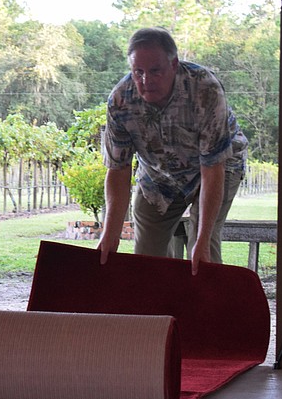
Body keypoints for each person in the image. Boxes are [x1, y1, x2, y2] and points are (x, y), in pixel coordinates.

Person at [97, 27, 247, 275]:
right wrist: (109, 234)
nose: (146, 81)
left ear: (174, 64)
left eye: (155, 71)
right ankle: (157, 311)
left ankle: (204, 310)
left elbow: (212, 168)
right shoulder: (120, 101)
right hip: (158, 173)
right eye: (138, 72)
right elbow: (118, 169)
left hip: (218, 165)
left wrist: (202, 240)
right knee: (146, 255)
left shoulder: (205, 90)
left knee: (202, 248)